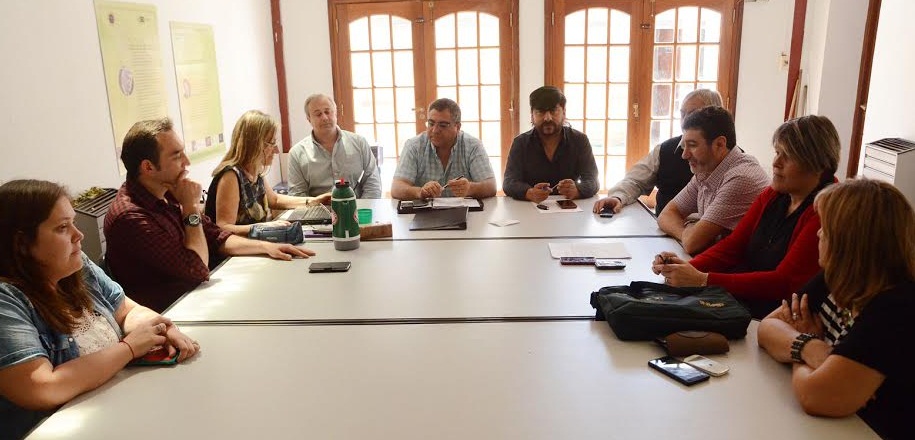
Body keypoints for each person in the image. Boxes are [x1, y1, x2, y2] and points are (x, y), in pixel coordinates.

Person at [0, 180, 200, 438]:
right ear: (22, 244)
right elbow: (41, 388)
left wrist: (161, 328)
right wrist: (128, 349)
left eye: (73, 222)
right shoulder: (7, 300)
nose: (78, 234)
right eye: (62, 228)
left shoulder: (76, 265)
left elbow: (127, 310)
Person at [757, 178, 915, 439]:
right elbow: (767, 328)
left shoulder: (896, 307)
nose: (818, 234)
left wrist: (807, 344)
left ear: (849, 243)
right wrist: (810, 349)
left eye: (826, 229)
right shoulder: (835, 278)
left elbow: (815, 396)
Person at [104, 118, 315, 312]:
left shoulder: (167, 192)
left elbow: (216, 235)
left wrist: (266, 247)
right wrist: (191, 207)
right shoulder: (130, 217)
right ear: (148, 167)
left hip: (198, 297)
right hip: (174, 313)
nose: (187, 162)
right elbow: (197, 268)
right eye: (177, 155)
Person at [652, 115, 841, 318]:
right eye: (777, 152)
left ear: (817, 164)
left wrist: (702, 279)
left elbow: (784, 282)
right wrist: (683, 269)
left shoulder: (826, 209)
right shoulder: (775, 194)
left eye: (788, 156)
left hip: (780, 315)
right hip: (750, 301)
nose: (776, 163)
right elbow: (733, 246)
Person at [656, 106, 769, 255]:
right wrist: (687, 231)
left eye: (692, 145)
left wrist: (690, 231)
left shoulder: (741, 178)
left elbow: (692, 243)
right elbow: (667, 214)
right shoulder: (707, 170)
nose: (684, 155)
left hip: (743, 271)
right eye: (684, 146)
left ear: (720, 144)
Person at [592, 89, 722, 215]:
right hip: (664, 228)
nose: (685, 121)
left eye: (693, 114)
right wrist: (617, 197)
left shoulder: (729, 161)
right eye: (682, 114)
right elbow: (635, 180)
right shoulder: (666, 149)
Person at [205, 110, 327, 236]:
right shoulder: (230, 175)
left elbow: (275, 200)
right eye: (272, 143)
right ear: (254, 144)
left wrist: (315, 201)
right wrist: (265, 227)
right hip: (231, 254)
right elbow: (223, 227)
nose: (275, 150)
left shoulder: (255, 171)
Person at [503, 86, 600, 202]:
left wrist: (578, 190)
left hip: (570, 212)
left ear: (563, 112)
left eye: (554, 111)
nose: (547, 118)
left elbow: (593, 180)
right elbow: (509, 182)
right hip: (530, 210)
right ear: (532, 115)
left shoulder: (579, 140)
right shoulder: (520, 143)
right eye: (540, 112)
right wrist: (529, 193)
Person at [391, 98, 496, 200]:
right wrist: (420, 192)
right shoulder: (414, 146)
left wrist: (471, 188)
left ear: (458, 127)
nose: (435, 130)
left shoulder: (473, 146)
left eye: (443, 125)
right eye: (431, 123)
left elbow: (491, 186)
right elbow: (396, 188)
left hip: (464, 213)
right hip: (424, 214)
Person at [287, 94, 381, 198]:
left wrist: (363, 209)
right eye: (318, 114)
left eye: (328, 112)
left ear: (335, 113)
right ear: (309, 119)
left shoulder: (359, 143)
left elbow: (372, 181)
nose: (324, 117)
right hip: (318, 211)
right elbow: (297, 195)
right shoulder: (297, 153)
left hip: (356, 208)